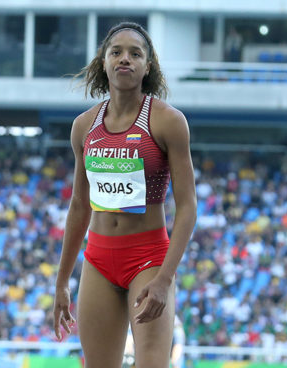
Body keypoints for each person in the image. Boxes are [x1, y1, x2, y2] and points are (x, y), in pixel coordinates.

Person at [52, 21, 197, 368]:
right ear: (103, 61)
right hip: (99, 260)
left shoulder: (167, 122)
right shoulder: (84, 126)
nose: (125, 59)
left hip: (148, 259)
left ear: (148, 66)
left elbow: (188, 206)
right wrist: (61, 282)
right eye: (116, 52)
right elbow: (77, 207)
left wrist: (165, 278)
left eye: (136, 53)